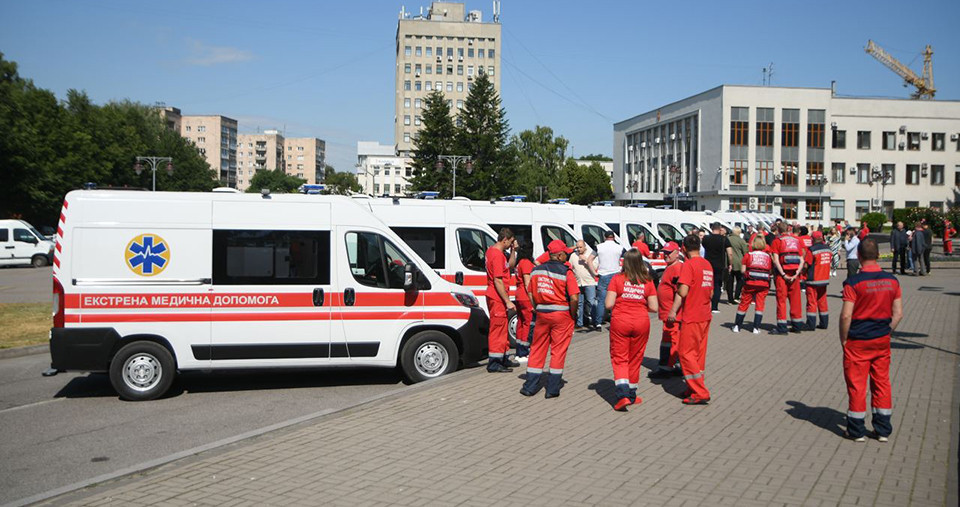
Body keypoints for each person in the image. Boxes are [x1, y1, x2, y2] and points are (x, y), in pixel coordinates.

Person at [840, 238, 902, 442]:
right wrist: (887, 331)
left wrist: (844, 338)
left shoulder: (853, 283)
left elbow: (846, 315)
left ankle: (856, 431)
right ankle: (883, 430)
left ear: (858, 256)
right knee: (882, 382)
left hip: (858, 340)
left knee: (857, 385)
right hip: (881, 339)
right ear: (877, 255)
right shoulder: (892, 280)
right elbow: (898, 313)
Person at [520, 240, 580, 398]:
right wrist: (572, 315)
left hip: (542, 314)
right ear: (559, 255)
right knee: (558, 352)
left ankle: (530, 387)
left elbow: (531, 293)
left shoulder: (536, 271)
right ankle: (552, 389)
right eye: (565, 253)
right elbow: (574, 298)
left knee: (537, 349)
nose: (566, 255)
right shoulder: (566, 272)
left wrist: (538, 306)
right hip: (562, 315)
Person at [605, 248, 658, 411]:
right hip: (641, 322)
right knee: (635, 358)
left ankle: (623, 396)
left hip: (620, 321)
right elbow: (654, 307)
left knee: (620, 358)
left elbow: (608, 304)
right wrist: (640, 307)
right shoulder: (647, 281)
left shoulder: (617, 279)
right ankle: (632, 394)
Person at [667, 234, 714, 405]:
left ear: (683, 248)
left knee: (685, 353)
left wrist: (673, 310)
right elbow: (711, 292)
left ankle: (700, 391)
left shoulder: (688, 265)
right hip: (705, 314)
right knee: (698, 355)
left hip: (692, 315)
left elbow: (683, 291)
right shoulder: (707, 264)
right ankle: (692, 386)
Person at [485, 228, 519, 372]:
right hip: (497, 297)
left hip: (496, 296)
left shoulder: (494, 252)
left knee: (502, 329)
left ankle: (502, 358)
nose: (510, 244)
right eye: (510, 243)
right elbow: (498, 280)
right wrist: (507, 300)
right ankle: (494, 363)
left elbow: (509, 266)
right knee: (497, 330)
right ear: (504, 239)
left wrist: (513, 251)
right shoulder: (497, 255)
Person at [649, 241, 683, 379]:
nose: (666, 255)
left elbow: (680, 292)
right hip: (668, 313)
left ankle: (667, 368)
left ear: (677, 253)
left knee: (672, 341)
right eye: (665, 252)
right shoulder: (671, 267)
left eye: (669, 253)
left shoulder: (677, 269)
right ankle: (671, 365)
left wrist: (673, 311)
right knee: (668, 340)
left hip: (672, 314)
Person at [771, 222, 806, 334]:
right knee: (795, 300)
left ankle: (782, 327)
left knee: (781, 300)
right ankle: (797, 326)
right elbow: (802, 260)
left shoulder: (777, 241)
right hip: (795, 275)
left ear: (778, 230)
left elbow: (776, 260)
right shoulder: (796, 241)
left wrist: (783, 274)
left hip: (783, 275)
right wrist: (796, 274)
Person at [733, 236, 771, 334]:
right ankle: (756, 328)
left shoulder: (748, 255)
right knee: (760, 305)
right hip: (763, 284)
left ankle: (737, 326)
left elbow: (743, 270)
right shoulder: (767, 257)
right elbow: (770, 271)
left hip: (750, 283)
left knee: (744, 304)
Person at [595, 230, 624, 329]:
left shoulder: (599, 247)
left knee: (601, 300)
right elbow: (628, 259)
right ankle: (614, 320)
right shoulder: (619, 248)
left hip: (603, 275)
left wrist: (594, 272)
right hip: (616, 275)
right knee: (615, 299)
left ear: (604, 237)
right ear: (614, 237)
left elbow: (589, 260)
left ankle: (598, 323)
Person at [512, 241, 536, 361]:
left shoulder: (519, 262)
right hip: (525, 296)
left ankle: (519, 350)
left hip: (519, 295)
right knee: (527, 324)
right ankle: (523, 352)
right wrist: (533, 301)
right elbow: (527, 283)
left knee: (520, 323)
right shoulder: (526, 263)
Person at [702, 223, 733, 313]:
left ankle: (705, 305)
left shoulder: (706, 238)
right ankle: (714, 307)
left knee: (706, 284)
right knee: (717, 285)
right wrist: (730, 263)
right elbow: (730, 253)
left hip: (707, 264)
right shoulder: (724, 239)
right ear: (720, 229)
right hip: (719, 265)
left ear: (711, 228)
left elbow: (703, 247)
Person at [804, 231, 832, 330]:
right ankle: (824, 324)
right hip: (824, 280)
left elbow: (806, 265)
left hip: (813, 280)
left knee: (811, 303)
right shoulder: (828, 249)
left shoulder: (811, 250)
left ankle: (811, 325)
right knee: (822, 302)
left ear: (813, 239)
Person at [569, 240, 599, 329]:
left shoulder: (592, 255)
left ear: (585, 246)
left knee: (591, 302)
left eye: (580, 247)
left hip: (589, 282)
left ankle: (595, 322)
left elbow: (594, 268)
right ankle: (579, 323)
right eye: (577, 247)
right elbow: (570, 267)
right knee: (579, 303)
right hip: (578, 283)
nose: (578, 249)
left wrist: (586, 259)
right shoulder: (573, 255)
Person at [727, 226, 749, 303]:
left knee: (730, 281)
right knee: (740, 280)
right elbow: (745, 252)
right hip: (739, 262)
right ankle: (736, 296)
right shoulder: (741, 241)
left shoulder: (728, 239)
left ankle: (730, 298)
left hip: (729, 261)